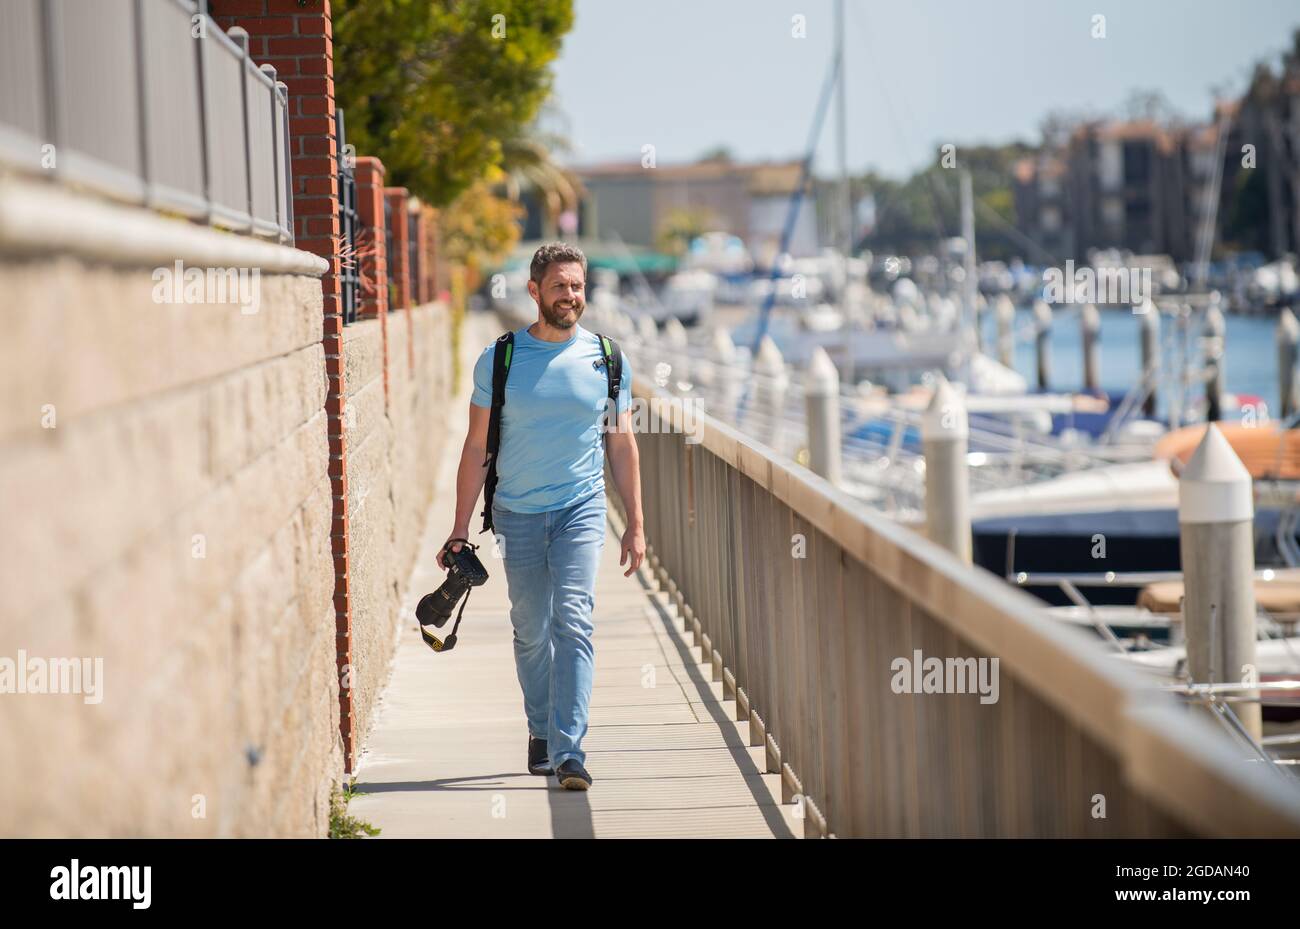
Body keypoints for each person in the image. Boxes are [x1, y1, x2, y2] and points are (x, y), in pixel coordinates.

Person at [439, 242, 645, 790]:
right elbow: (477, 445)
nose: (571, 296)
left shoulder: (607, 358)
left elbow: (621, 444)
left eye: (577, 286)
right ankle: (541, 729)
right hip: (517, 515)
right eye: (560, 286)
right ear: (535, 291)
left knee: (573, 619)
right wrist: (460, 528)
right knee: (531, 628)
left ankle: (569, 750)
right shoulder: (500, 359)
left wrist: (636, 524)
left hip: (581, 509)